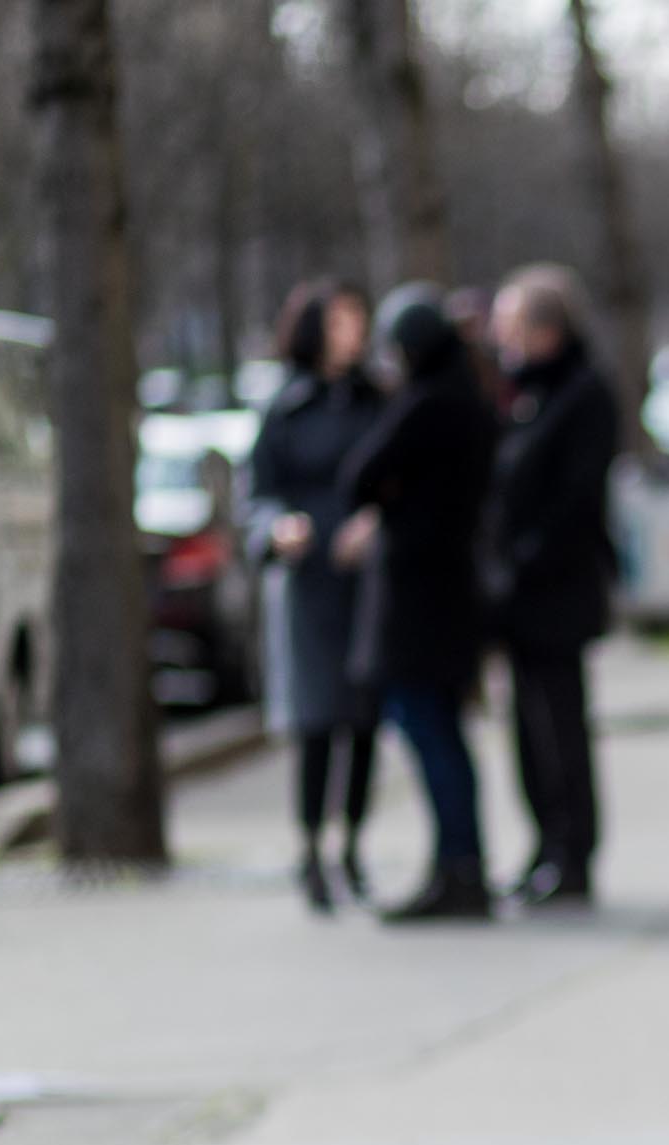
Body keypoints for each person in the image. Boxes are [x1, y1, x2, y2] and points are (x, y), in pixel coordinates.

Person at [339, 285, 500, 923]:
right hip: (448, 591)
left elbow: (358, 473)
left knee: (430, 730)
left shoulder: (429, 404)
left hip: (419, 599)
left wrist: (389, 496)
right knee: (441, 733)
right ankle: (461, 864)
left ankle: (459, 867)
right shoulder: (468, 401)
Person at [243, 278, 387, 912]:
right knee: (315, 720)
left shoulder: (377, 400)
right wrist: (277, 529)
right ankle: (310, 849)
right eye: (337, 321)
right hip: (309, 582)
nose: (349, 332)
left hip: (365, 578)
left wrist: (377, 522)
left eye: (356, 320)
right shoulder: (284, 409)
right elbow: (258, 492)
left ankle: (353, 843)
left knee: (362, 721)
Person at [484, 265, 622, 907]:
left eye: (509, 325)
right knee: (526, 728)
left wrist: (526, 559)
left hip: (556, 589)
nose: (498, 337)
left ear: (544, 329)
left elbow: (574, 496)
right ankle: (544, 845)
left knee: (560, 726)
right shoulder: (521, 391)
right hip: (520, 590)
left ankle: (573, 853)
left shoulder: (583, 393)